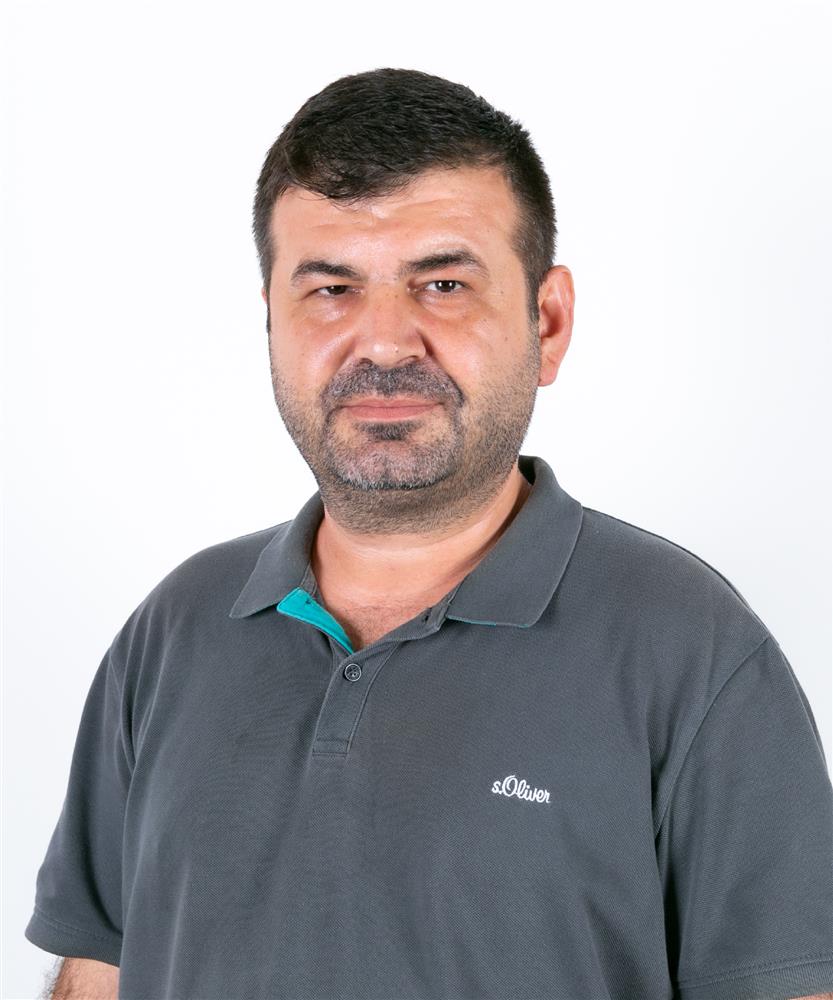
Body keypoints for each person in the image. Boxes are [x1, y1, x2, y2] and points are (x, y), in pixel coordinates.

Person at [24, 67, 833, 1000]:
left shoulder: (691, 649)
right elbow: (99, 971)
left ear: (547, 321)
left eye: (442, 283)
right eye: (331, 288)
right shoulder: (174, 630)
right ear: (272, 322)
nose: (383, 343)